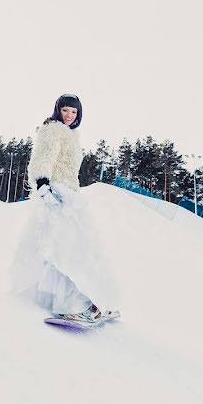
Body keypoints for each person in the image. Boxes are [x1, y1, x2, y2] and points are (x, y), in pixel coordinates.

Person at [11, 93, 120, 324]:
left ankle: (91, 299)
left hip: (70, 194)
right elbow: (42, 158)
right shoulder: (52, 129)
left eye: (74, 111)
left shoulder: (72, 135)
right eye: (65, 110)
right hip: (56, 194)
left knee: (80, 246)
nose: (69, 115)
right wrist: (43, 187)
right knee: (66, 247)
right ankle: (70, 305)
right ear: (57, 110)